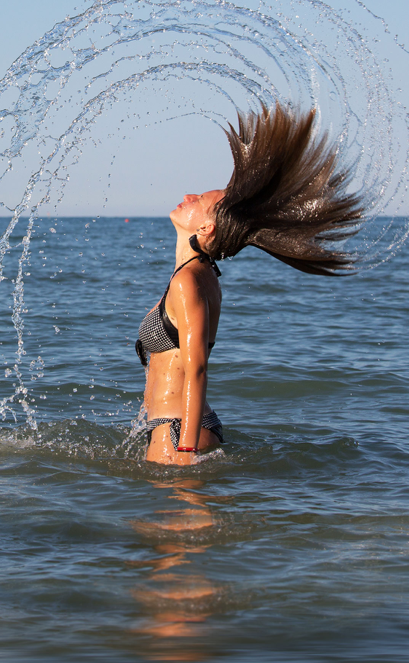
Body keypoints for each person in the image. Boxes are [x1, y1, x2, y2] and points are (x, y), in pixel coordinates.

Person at [136, 103, 362, 465]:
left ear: (205, 229)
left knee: (178, 519)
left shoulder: (190, 281)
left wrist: (186, 450)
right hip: (176, 425)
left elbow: (196, 368)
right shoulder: (200, 274)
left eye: (201, 201)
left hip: (177, 431)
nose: (190, 194)